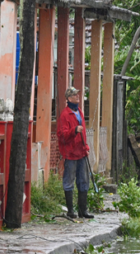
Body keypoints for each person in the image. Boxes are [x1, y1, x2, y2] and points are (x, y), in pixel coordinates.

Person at [56, 87, 94, 219]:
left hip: (82, 152)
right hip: (71, 153)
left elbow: (83, 133)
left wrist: (86, 146)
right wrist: (74, 130)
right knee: (69, 181)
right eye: (74, 95)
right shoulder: (65, 115)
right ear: (68, 98)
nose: (77, 97)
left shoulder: (80, 112)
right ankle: (71, 211)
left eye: (78, 94)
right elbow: (61, 135)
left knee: (84, 181)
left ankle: (83, 210)